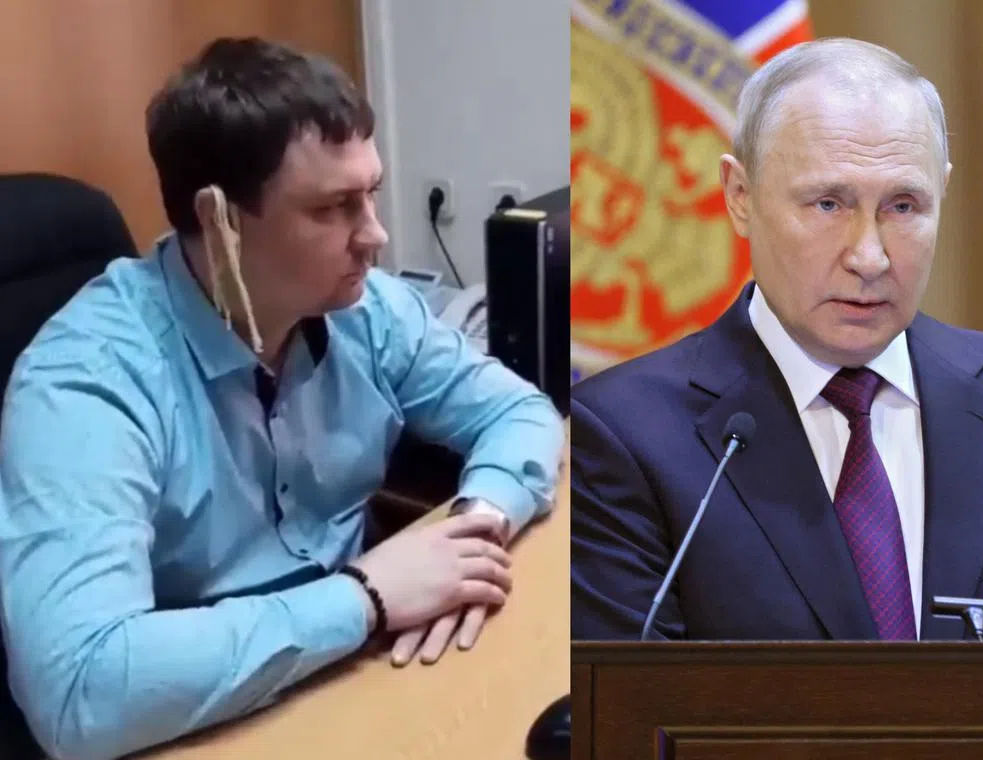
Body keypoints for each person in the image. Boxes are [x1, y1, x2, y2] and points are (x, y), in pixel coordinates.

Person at [0, 37, 564, 759]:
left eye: (371, 193)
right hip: (196, 722)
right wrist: (364, 597)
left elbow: (518, 412)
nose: (376, 235)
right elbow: (79, 690)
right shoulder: (87, 381)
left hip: (348, 676)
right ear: (221, 221)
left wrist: (476, 526)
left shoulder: (367, 310)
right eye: (334, 208)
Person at [571, 37, 983, 642]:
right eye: (827, 203)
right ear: (739, 196)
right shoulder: (623, 437)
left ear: (942, 191)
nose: (869, 257)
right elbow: (633, 714)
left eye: (903, 205)